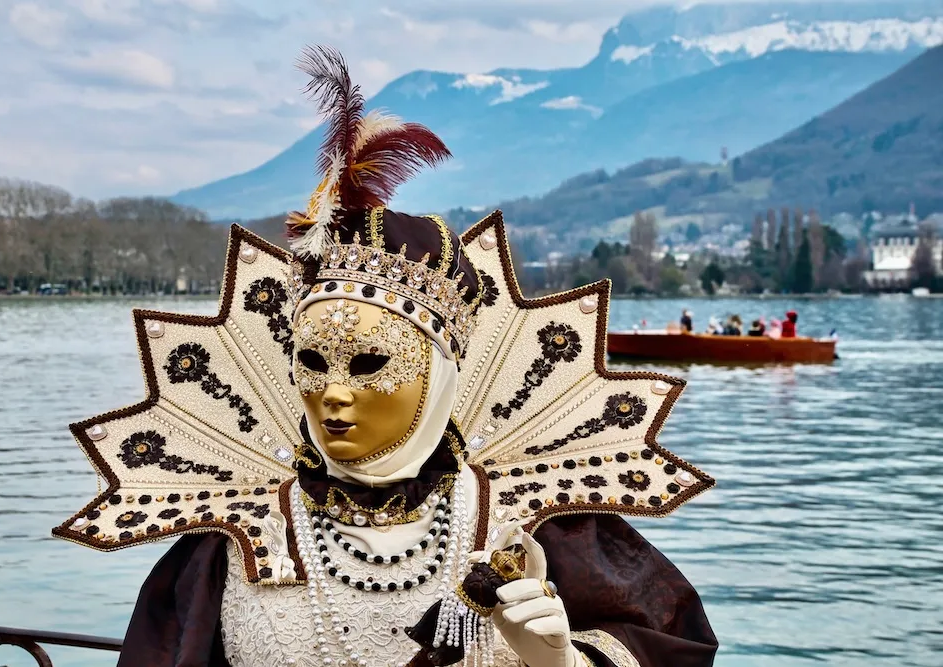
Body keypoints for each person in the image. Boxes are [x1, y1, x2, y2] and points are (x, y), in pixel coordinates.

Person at [53, 47, 718, 667]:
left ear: (440, 374)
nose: (333, 393)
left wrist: (562, 660)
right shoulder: (230, 537)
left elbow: (668, 643)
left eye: (370, 363)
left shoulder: (538, 525)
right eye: (313, 363)